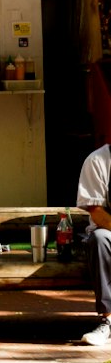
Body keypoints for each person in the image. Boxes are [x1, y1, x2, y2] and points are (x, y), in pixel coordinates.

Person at [74, 143, 111, 345]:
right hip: (109, 232)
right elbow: (97, 212)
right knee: (100, 239)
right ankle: (108, 321)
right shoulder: (98, 160)